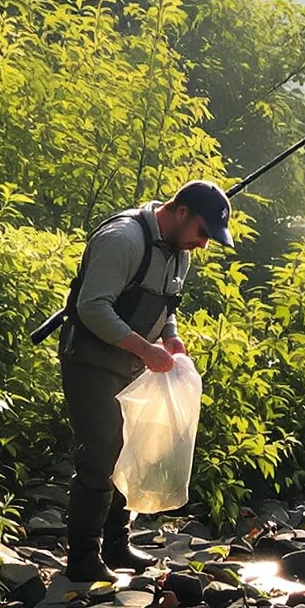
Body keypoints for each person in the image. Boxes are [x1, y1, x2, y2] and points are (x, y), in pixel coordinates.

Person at [59, 180, 231, 582]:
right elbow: (93, 307)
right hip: (89, 360)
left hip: (135, 362)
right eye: (203, 233)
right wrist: (144, 348)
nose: (203, 245)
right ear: (181, 212)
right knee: (102, 452)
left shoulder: (179, 253)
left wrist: (169, 336)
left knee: (132, 448)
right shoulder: (122, 239)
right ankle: (83, 557)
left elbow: (167, 305)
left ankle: (117, 544)